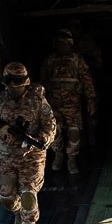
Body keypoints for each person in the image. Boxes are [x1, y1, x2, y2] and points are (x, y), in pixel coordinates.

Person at [0, 62, 57, 224]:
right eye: (10, 83)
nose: (14, 87)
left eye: (18, 83)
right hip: (7, 157)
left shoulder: (37, 101)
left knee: (28, 196)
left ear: (25, 82)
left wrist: (40, 139)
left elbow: (50, 126)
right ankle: (17, 215)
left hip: (31, 158)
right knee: (6, 197)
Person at [40, 30, 97, 174]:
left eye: (65, 43)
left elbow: (86, 80)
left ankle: (71, 158)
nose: (63, 45)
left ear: (70, 44)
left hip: (73, 104)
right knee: (55, 131)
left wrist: (91, 99)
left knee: (74, 133)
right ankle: (58, 154)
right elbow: (42, 82)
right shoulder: (49, 60)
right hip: (54, 104)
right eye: (60, 42)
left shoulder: (77, 60)